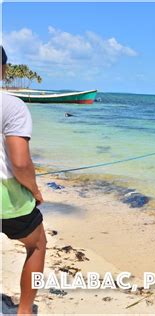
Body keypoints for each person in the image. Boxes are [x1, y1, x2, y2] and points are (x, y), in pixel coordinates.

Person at [1, 46, 47, 315]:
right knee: (37, 244)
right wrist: (35, 189)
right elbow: (20, 163)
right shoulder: (11, 106)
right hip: (7, 197)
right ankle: (25, 310)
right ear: (3, 70)